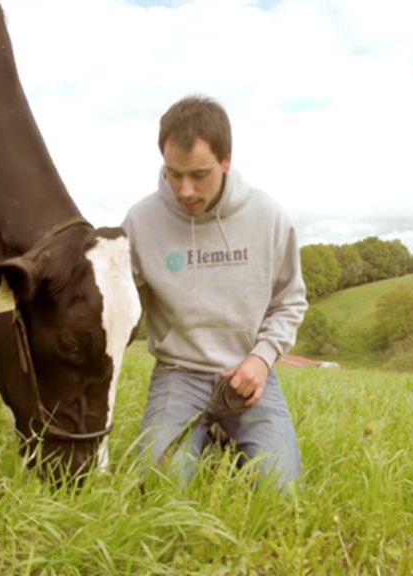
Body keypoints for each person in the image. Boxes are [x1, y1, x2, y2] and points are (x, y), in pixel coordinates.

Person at [121, 95, 308, 491]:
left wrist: (261, 359)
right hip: (178, 374)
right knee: (161, 487)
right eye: (174, 174)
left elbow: (290, 300)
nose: (185, 190)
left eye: (199, 174)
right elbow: (119, 304)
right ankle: (200, 439)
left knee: (280, 491)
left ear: (226, 160)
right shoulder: (140, 222)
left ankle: (223, 436)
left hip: (248, 376)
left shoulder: (268, 217)